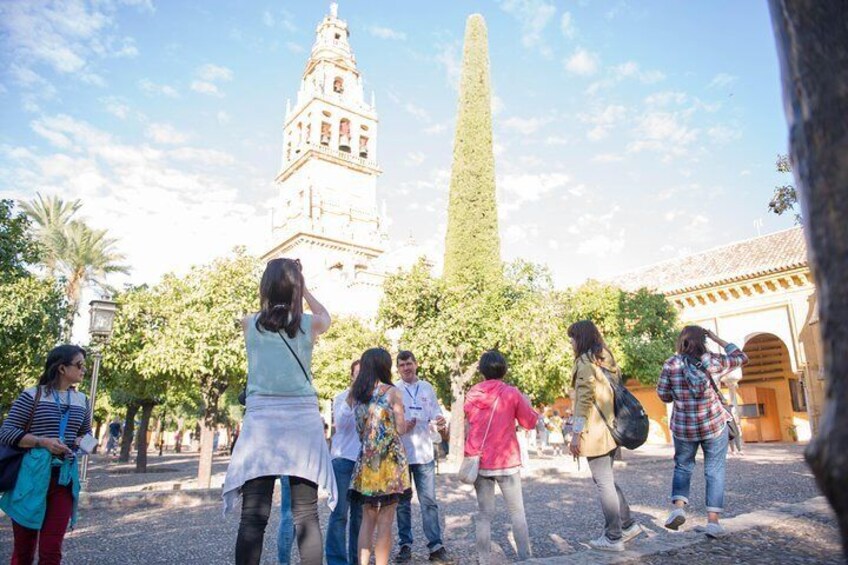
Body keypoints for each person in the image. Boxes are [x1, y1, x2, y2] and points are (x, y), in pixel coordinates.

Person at [222, 258, 337, 565]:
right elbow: (326, 316)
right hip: (302, 421)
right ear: (295, 289)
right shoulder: (309, 324)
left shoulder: (249, 323)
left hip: (261, 423)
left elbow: (267, 315)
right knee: (306, 515)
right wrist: (305, 289)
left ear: (266, 287)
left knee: (253, 517)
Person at [0, 344, 95, 565]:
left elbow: (85, 434)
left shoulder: (82, 401)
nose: (83, 370)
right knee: (23, 551)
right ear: (62, 368)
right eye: (79, 365)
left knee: (52, 551)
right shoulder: (32, 396)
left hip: (63, 479)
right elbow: (7, 432)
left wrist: (82, 442)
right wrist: (42, 442)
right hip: (30, 479)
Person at [657, 326, 748, 538]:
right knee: (715, 470)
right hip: (714, 425)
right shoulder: (713, 361)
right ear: (703, 340)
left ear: (681, 341)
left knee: (683, 466)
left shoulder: (671, 363)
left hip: (683, 426)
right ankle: (713, 522)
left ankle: (678, 509)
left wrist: (678, 395)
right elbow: (741, 356)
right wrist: (717, 338)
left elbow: (663, 394)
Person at [567, 320, 642, 552]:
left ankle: (613, 536)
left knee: (603, 483)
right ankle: (627, 524)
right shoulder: (604, 358)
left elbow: (583, 402)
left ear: (580, 338)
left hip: (595, 432)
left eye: (572, 338)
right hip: (611, 429)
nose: (570, 343)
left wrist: (576, 434)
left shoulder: (585, 362)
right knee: (606, 480)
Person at [464, 350, 539, 564]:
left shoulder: (473, 393)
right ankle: (524, 558)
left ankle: (483, 560)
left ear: (482, 371)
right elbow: (529, 422)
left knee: (484, 515)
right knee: (517, 512)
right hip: (506, 462)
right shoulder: (511, 393)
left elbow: (468, 418)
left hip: (480, 461)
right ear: (504, 369)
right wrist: (528, 405)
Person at [348, 348, 412, 565]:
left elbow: (359, 431)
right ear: (385, 366)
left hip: (366, 461)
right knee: (386, 519)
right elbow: (401, 429)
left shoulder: (355, 395)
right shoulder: (393, 393)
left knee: (367, 519)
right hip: (389, 463)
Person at [393, 351, 453, 564]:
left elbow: (435, 414)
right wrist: (401, 427)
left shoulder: (427, 387)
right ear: (398, 369)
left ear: (416, 364)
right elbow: (388, 424)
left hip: (425, 454)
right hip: (401, 455)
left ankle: (436, 546)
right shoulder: (394, 390)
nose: (406, 368)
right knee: (402, 503)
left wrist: (440, 421)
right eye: (402, 365)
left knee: (429, 501)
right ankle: (405, 545)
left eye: (409, 363)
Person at [325, 359, 364, 565]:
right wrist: (352, 395)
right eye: (357, 373)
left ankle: (356, 559)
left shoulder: (372, 399)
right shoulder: (341, 397)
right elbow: (341, 424)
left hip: (364, 462)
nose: (360, 377)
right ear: (351, 376)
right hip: (342, 460)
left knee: (359, 515)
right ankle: (336, 560)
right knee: (339, 513)